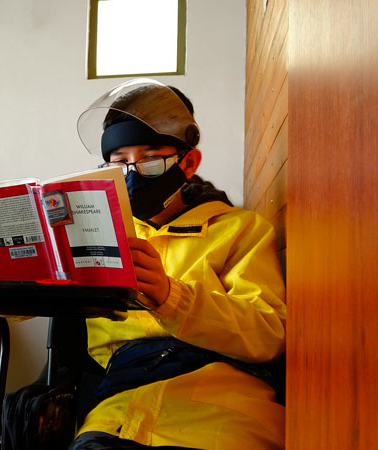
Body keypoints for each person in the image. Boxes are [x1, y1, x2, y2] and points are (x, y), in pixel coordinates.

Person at [64, 78, 287, 449]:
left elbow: (269, 334)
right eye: (119, 163)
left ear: (188, 162)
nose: (133, 173)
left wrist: (173, 298)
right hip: (121, 402)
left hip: (223, 400)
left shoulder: (238, 229)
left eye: (150, 160)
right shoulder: (101, 233)